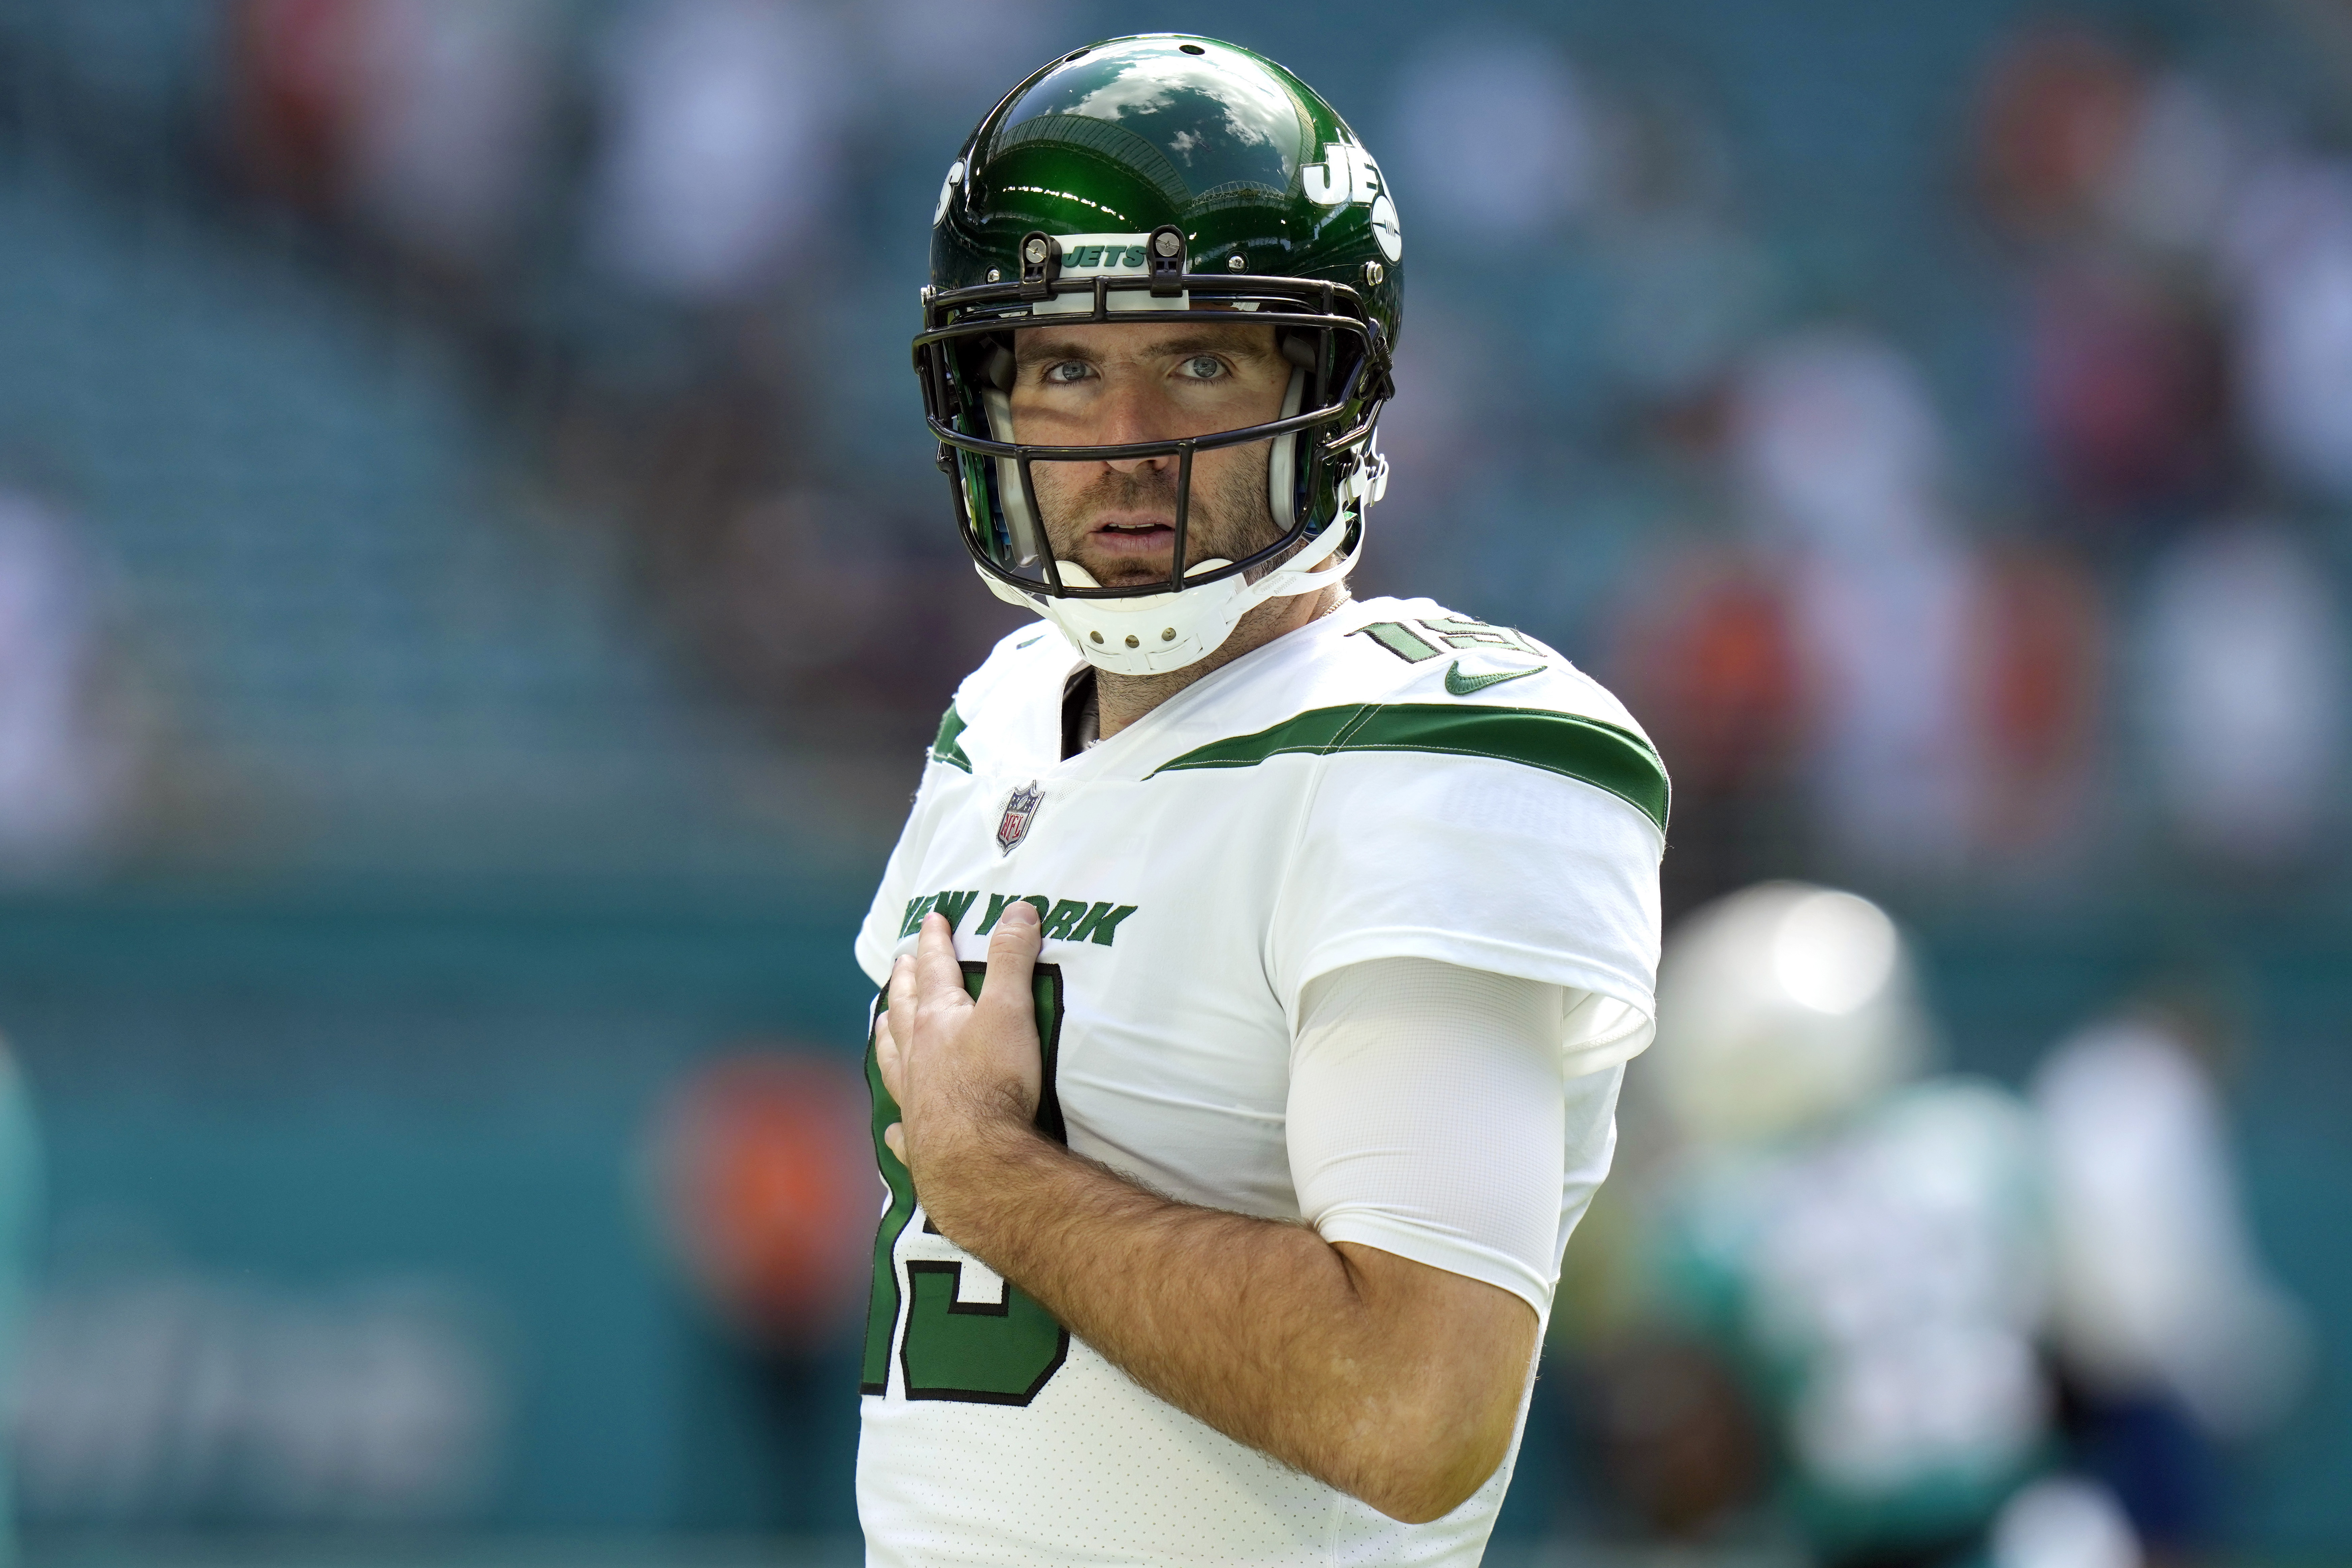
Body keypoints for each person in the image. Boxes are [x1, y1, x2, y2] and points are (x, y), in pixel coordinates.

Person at [853, 35, 1667, 1566]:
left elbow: (1413, 1411)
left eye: (1201, 362)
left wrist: (994, 1179)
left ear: (1329, 391)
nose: (1124, 443)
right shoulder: (1001, 716)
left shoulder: (1433, 752)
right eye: (1064, 367)